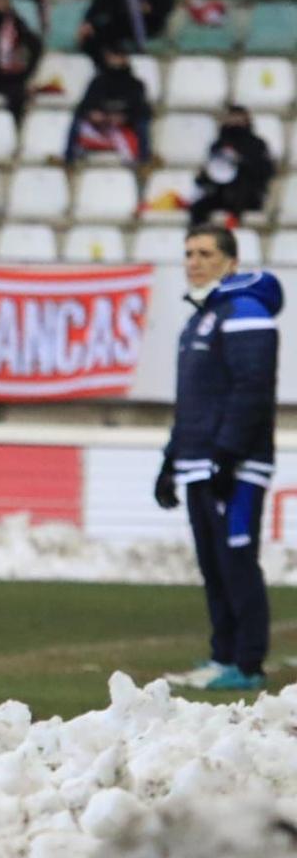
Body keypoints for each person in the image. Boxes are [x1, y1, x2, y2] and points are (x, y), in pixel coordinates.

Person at [156, 225, 282, 694]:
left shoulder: (245, 311)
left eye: (205, 253)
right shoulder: (200, 318)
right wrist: (171, 462)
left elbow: (252, 388)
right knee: (212, 564)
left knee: (236, 561)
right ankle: (222, 654)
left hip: (236, 464)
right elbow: (193, 401)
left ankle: (247, 663)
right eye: (188, 253)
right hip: (198, 461)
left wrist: (227, 456)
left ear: (231, 262)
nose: (194, 261)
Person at [64, 39, 152, 166]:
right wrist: (93, 114)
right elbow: (83, 107)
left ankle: (143, 162)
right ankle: (69, 161)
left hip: (124, 130)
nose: (114, 59)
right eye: (112, 55)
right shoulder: (97, 82)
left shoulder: (135, 84)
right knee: (77, 121)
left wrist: (125, 118)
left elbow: (143, 111)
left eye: (118, 55)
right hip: (101, 129)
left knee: (142, 124)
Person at [189, 105, 275, 228]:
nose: (234, 121)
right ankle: (198, 231)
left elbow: (266, 171)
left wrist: (242, 162)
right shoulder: (218, 144)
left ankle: (233, 223)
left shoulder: (257, 144)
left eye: (238, 118)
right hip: (221, 192)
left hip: (247, 195)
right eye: (231, 118)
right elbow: (212, 172)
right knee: (199, 206)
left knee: (243, 188)